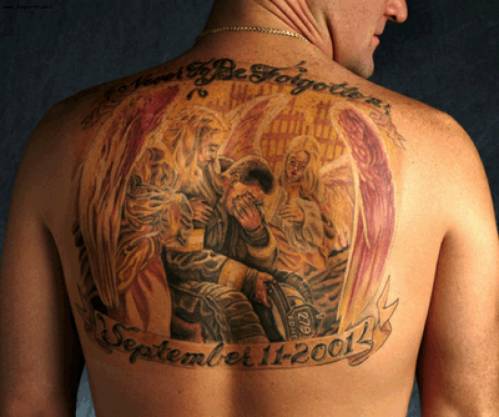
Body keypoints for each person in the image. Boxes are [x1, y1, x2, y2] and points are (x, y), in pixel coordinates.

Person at [1, 1, 497, 417]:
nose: (398, 8)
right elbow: (465, 410)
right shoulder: (440, 155)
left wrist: (256, 238)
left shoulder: (62, 142)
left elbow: (30, 408)